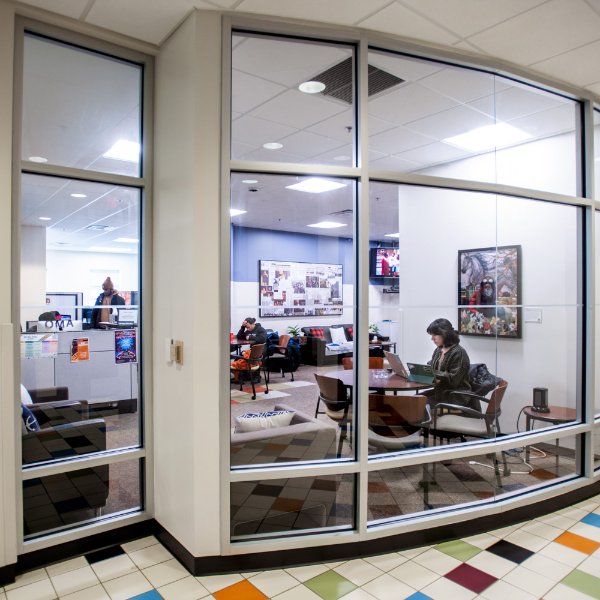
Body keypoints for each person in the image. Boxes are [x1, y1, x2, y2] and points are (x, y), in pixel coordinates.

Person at [425, 318, 475, 409]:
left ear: (445, 334)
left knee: (419, 405)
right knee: (414, 399)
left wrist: (433, 373)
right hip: (441, 393)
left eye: (435, 335)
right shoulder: (439, 349)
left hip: (456, 397)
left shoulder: (459, 353)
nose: (432, 338)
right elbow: (432, 366)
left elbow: (453, 381)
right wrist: (424, 371)